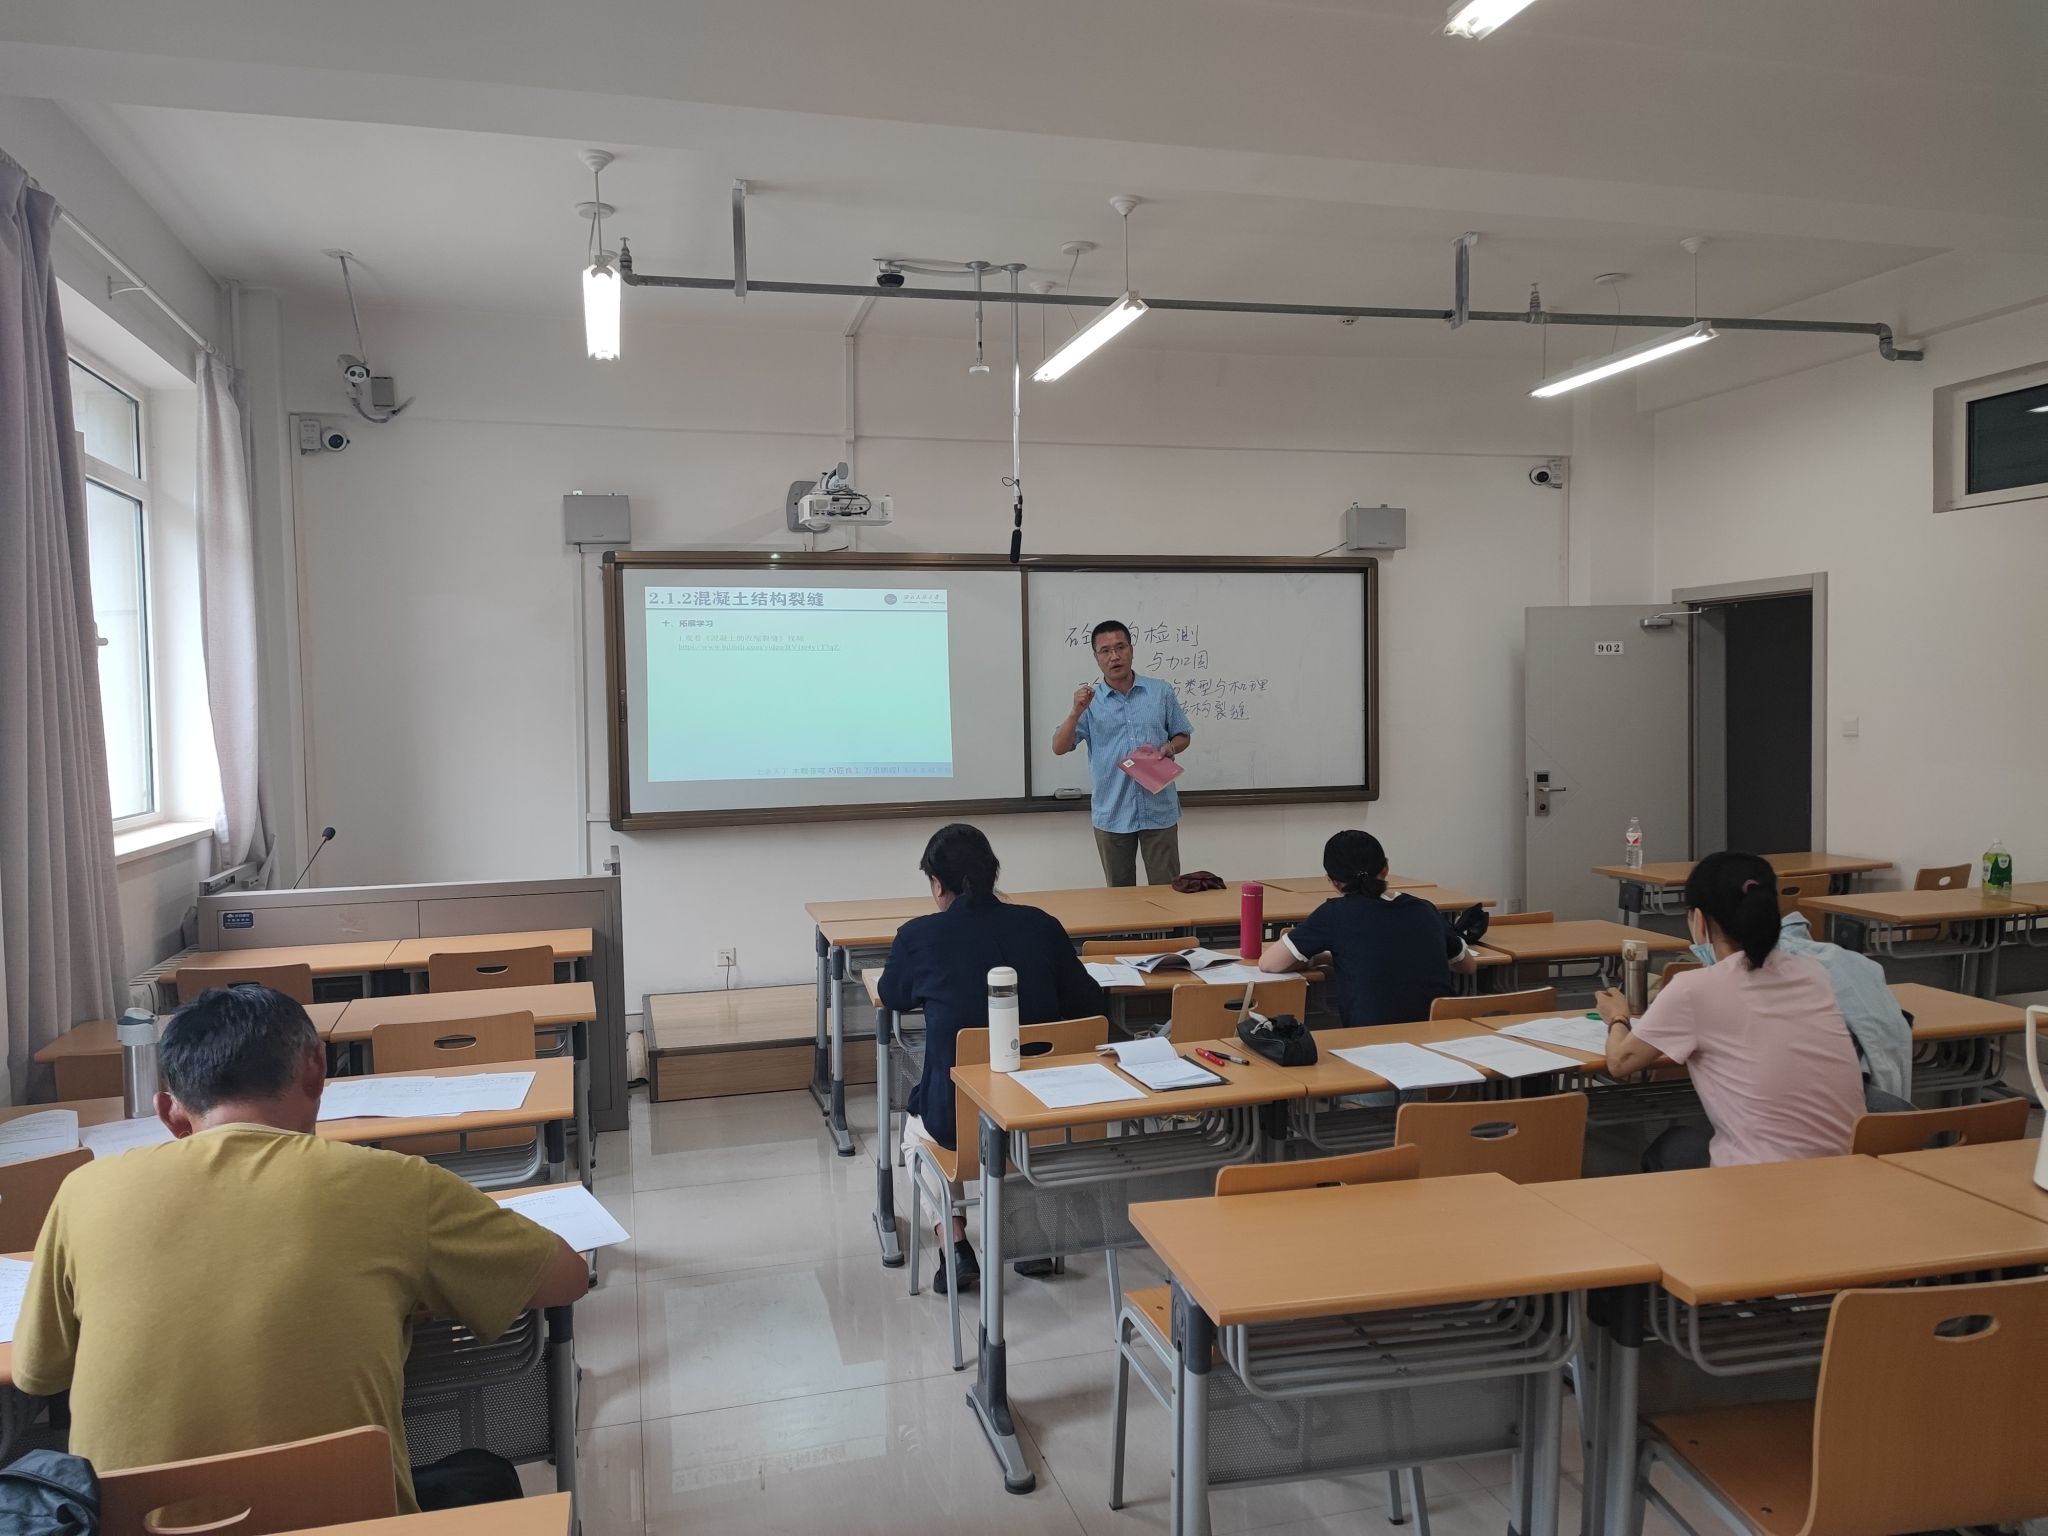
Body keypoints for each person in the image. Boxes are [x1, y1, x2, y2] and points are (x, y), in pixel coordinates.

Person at [15, 985, 590, 1514]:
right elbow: (566, 1277)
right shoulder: (393, 1186)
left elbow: (37, 1372)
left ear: (170, 1114)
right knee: (482, 1475)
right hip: (345, 1522)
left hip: (127, 1523)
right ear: (317, 1069)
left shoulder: (83, 1191)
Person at [878, 823, 1105, 1292]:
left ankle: (955, 1243)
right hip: (1047, 1113)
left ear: (937, 885)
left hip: (961, 1125)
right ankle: (1026, 1233)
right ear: (991, 874)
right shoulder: (1041, 925)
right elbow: (1090, 1003)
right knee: (1006, 1106)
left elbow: (892, 993)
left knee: (917, 1130)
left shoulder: (918, 937)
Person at [1598, 850, 1865, 1171]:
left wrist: (1617, 1016)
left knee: (1673, 1144)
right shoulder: (1813, 972)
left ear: (1699, 921)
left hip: (1760, 1178)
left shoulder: (1693, 989)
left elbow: (1620, 1063)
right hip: (1843, 1171)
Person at [1257, 829, 1477, 1025]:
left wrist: (1319, 959)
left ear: (1333, 881)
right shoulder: (1424, 909)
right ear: (1386, 869)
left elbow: (1269, 964)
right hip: (1439, 1034)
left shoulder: (1334, 914)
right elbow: (1467, 966)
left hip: (1371, 1041)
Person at [1051, 619, 1193, 887]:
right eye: (1105, 651)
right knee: (1119, 897)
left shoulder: (1160, 692)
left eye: (1120, 647)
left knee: (1167, 892)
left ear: (1131, 650)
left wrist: (1171, 747)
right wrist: (1075, 712)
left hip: (1158, 809)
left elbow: (1183, 734)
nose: (1114, 656)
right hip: (1112, 812)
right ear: (1096, 657)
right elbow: (1059, 747)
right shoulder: (1089, 703)